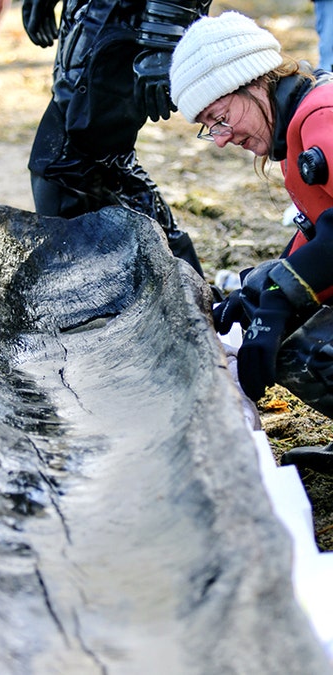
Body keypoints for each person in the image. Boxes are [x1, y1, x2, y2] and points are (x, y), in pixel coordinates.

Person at [170, 11, 333, 471]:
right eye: (209, 126)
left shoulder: (321, 116)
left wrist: (281, 295)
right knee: (277, 310)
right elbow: (319, 232)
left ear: (253, 81)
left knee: (303, 340)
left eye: (219, 118)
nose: (220, 139)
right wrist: (257, 290)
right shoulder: (300, 128)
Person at [21, 0, 208, 274]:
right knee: (86, 162)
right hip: (92, 11)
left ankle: (181, 290)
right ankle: (183, 287)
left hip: (130, 14)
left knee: (69, 162)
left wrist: (163, 35)